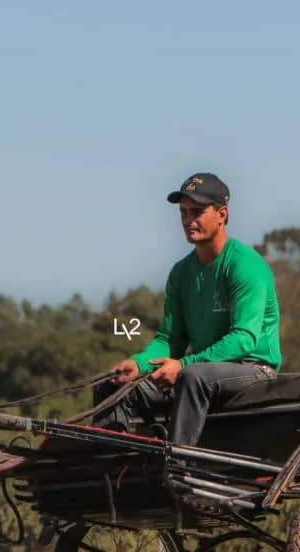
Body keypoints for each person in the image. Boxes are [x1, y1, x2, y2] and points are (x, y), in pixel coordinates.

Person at [96, 172, 282, 446]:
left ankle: (177, 463)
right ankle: (113, 464)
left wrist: (183, 365)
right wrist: (139, 363)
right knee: (113, 388)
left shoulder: (245, 266)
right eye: (183, 212)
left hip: (253, 370)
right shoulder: (181, 272)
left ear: (222, 214)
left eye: (197, 212)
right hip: (202, 373)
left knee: (192, 377)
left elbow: (244, 339)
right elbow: (170, 340)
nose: (187, 220)